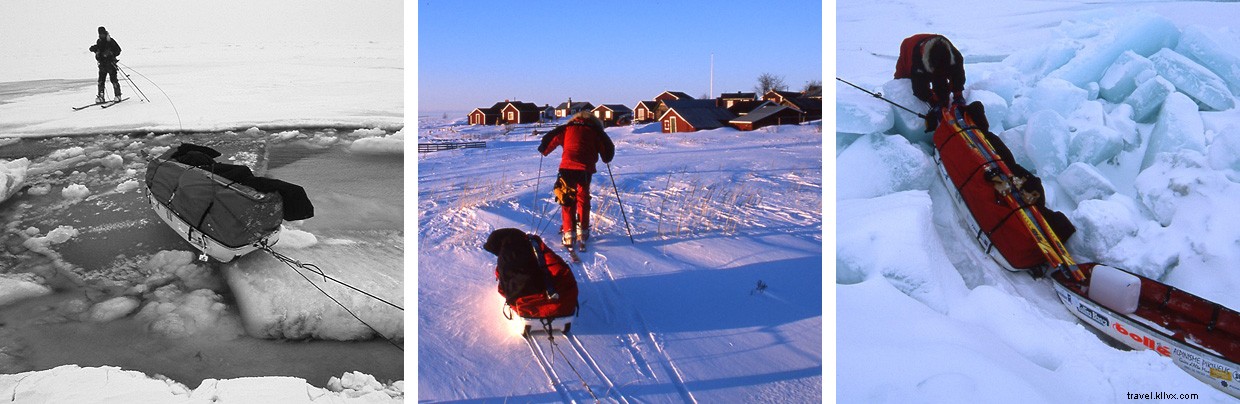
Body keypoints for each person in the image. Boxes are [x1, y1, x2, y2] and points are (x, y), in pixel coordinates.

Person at [537, 110, 615, 250]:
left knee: (567, 198)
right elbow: (607, 149)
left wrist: (544, 150)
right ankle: (583, 231)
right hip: (585, 169)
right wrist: (606, 157)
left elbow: (549, 139)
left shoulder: (567, 128)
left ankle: (568, 233)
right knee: (583, 198)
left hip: (567, 168)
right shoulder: (595, 130)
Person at [895, 34, 965, 131]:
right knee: (901, 82)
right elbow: (919, 88)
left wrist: (958, 96)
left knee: (942, 90)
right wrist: (933, 102)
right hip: (910, 47)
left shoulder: (955, 57)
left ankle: (944, 109)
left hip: (935, 56)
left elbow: (958, 75)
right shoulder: (918, 61)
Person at [89, 26, 122, 103]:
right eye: (99, 34)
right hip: (102, 65)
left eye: (102, 34)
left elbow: (118, 50)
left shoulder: (110, 41)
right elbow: (99, 48)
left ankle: (118, 95)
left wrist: (110, 53)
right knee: (101, 81)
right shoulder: (99, 41)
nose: (100, 35)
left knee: (113, 80)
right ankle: (101, 96)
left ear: (105, 33)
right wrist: (94, 48)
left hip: (110, 64)